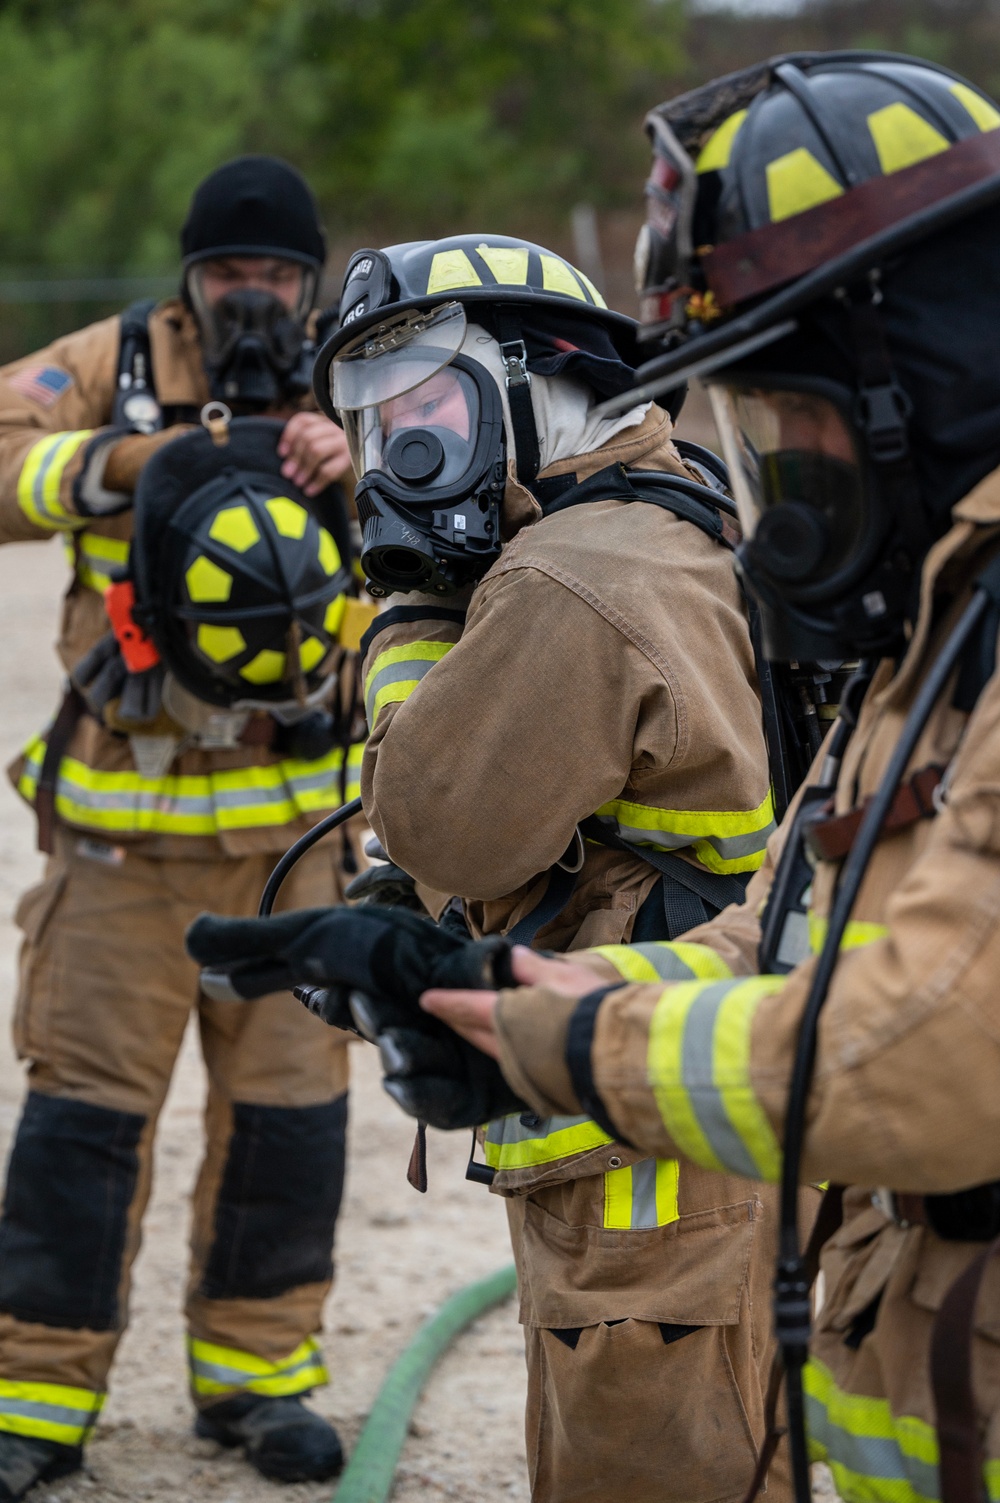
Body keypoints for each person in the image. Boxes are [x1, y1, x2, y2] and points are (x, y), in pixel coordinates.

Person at [389, 51, 1000, 1503]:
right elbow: (795, 913)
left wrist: (583, 1056)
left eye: (793, 416)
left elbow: (929, 1053)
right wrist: (562, 995)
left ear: (923, 363)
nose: (775, 476)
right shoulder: (947, 608)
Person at [294, 233, 795, 1503]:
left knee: (635, 1438)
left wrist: (406, 618)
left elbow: (442, 824)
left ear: (539, 379)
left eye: (425, 399)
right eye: (375, 414)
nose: (397, 445)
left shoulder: (571, 574)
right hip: (695, 1054)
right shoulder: (661, 506)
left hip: (642, 1138)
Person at [0, 155, 369, 1499]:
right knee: (81, 1128)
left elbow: (470, 509)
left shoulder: (353, 377)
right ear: (188, 276)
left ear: (310, 278)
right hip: (118, 850)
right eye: (229, 274)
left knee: (289, 1126)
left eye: (277, 275)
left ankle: (260, 1384)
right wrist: (123, 464)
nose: (254, 299)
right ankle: (36, 1394)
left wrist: (363, 453)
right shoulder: (109, 364)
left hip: (293, 850)